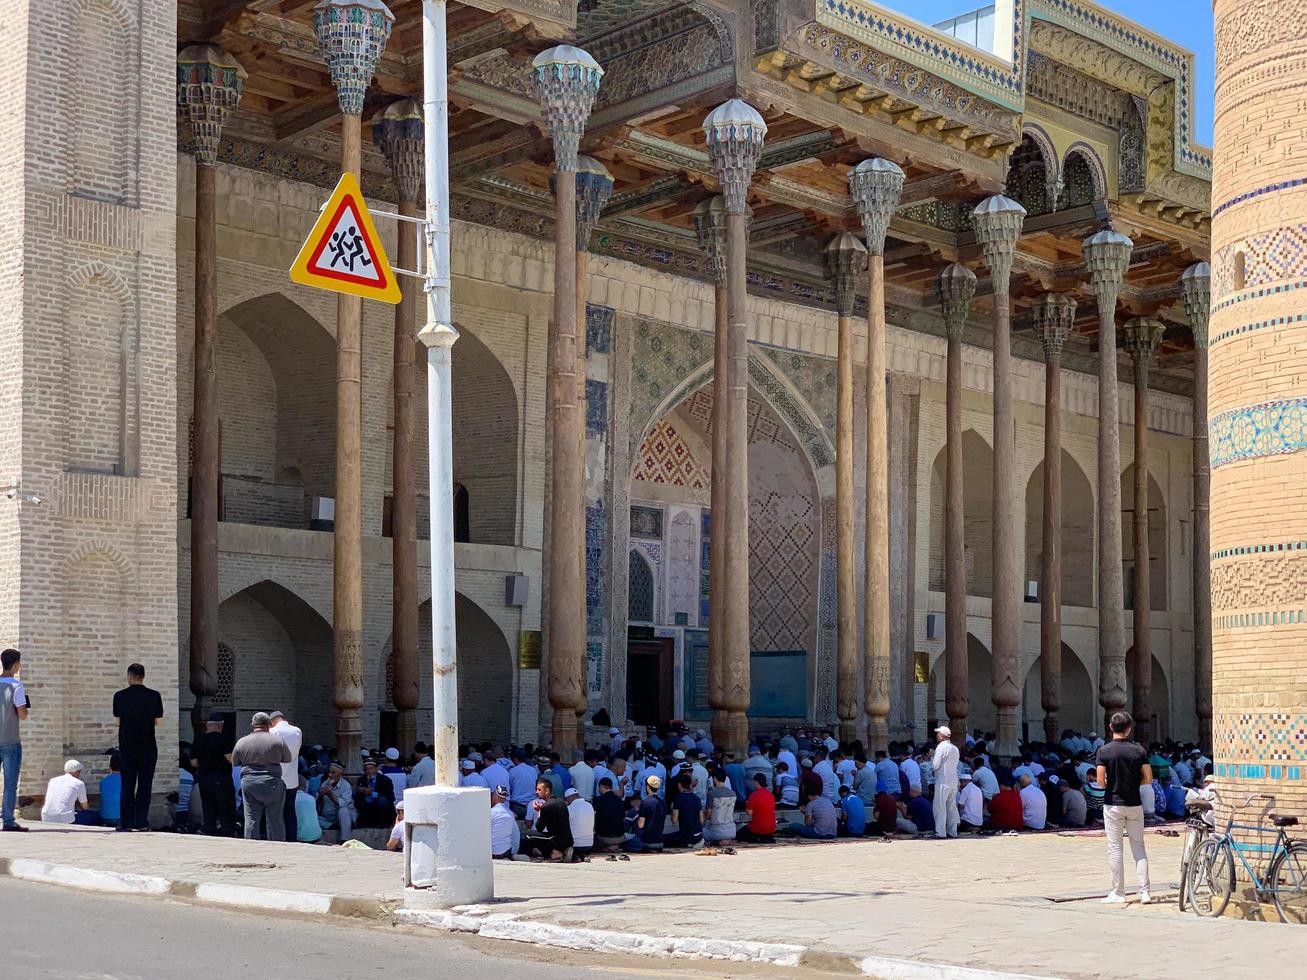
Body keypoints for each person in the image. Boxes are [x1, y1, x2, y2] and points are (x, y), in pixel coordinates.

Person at [1096, 710, 1153, 904]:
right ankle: (1144, 891)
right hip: (1134, 803)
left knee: (1115, 848)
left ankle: (1118, 892)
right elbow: (1148, 778)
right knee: (1138, 848)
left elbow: (1100, 781)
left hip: (1113, 804)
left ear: (1111, 727)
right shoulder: (1138, 750)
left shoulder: (1104, 751)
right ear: (1129, 729)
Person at [112, 663, 163, 832]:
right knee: (145, 785)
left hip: (127, 747)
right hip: (148, 747)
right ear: (143, 676)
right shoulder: (154, 696)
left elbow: (118, 721)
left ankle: (126, 823)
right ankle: (141, 822)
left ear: (129, 676)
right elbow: (158, 722)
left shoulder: (119, 696)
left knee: (127, 785)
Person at [231, 712, 292, 841]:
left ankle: (251, 848)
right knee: (275, 819)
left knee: (251, 819)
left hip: (249, 783)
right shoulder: (277, 740)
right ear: (269, 724)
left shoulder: (242, 742)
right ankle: (278, 848)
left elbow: (235, 762)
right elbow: (288, 759)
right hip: (273, 783)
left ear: (252, 725)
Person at [190, 715, 236, 835]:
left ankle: (209, 829)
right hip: (221, 777)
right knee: (225, 807)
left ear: (207, 725)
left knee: (208, 806)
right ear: (220, 725)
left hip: (204, 778)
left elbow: (193, 763)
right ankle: (227, 831)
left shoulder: (198, 739)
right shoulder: (225, 739)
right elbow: (229, 758)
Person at [0, 648, 29, 832]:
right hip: (10, 739)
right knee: (10, 782)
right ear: (16, 664)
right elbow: (22, 714)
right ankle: (8, 820)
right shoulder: (17, 686)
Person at [268, 710, 302, 843]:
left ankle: (277, 840)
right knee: (290, 811)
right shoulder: (297, 731)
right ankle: (291, 839)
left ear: (271, 722)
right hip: (292, 780)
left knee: (275, 812)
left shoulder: (272, 733)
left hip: (276, 779)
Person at [521, 778, 573, 861]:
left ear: (547, 791)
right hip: (568, 839)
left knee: (528, 835)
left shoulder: (546, 806)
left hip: (556, 840)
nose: (536, 792)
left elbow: (539, 827)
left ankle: (555, 853)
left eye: (539, 790)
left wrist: (540, 811)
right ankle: (562, 850)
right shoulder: (561, 802)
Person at [624, 775, 667, 853]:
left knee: (625, 843)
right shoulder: (663, 803)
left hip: (647, 842)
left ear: (648, 787)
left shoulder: (645, 802)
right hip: (660, 842)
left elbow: (641, 825)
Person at [931, 725, 960, 839]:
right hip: (953, 780)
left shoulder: (941, 747)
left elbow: (935, 765)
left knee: (940, 807)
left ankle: (940, 832)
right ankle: (953, 831)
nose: (937, 735)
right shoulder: (955, 748)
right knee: (951, 807)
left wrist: (931, 761)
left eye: (938, 734)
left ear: (942, 736)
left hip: (942, 780)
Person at [317, 760, 356, 840]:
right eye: (329, 772)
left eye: (333, 773)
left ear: (340, 774)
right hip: (328, 818)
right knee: (313, 817)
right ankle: (331, 826)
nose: (330, 775)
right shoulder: (325, 783)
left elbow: (343, 804)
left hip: (343, 816)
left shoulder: (345, 786)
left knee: (343, 811)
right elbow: (318, 805)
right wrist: (321, 796)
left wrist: (330, 794)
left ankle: (344, 839)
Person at [355, 758, 396, 827]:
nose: (369, 771)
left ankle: (382, 823)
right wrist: (360, 791)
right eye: (367, 769)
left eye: (371, 768)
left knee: (382, 801)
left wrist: (373, 794)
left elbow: (390, 796)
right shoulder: (361, 780)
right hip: (366, 803)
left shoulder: (385, 780)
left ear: (376, 769)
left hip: (379, 803)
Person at [736, 774, 777, 843]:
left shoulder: (754, 795)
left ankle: (757, 839)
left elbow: (749, 812)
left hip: (758, 827)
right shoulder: (771, 795)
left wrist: (745, 807)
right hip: (771, 827)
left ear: (756, 782)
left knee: (740, 834)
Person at [666, 774, 704, 848]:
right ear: (690, 785)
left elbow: (674, 820)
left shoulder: (678, 798)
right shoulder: (697, 799)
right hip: (698, 835)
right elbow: (702, 821)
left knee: (664, 838)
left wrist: (672, 809)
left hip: (685, 836)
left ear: (679, 785)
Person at [592, 777, 627, 852]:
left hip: (604, 838)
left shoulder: (598, 800)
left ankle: (606, 849)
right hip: (620, 837)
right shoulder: (619, 800)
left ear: (601, 786)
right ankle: (615, 847)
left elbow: (593, 820)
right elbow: (623, 818)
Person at [704, 769, 737, 843]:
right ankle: (725, 840)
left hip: (716, 831)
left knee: (701, 832)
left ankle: (717, 840)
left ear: (714, 779)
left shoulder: (712, 793)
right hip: (732, 831)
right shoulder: (733, 793)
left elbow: (708, 816)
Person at [562, 786, 594, 858]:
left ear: (569, 798)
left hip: (575, 844)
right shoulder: (590, 805)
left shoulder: (569, 808)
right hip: (589, 844)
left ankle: (567, 852)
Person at [489, 785, 519, 859]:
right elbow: (516, 835)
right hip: (506, 852)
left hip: (490, 852)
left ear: (494, 796)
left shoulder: (489, 813)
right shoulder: (510, 814)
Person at [508, 751, 539, 819]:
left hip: (517, 806)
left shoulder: (513, 771)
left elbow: (509, 788)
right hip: (532, 805)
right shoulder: (533, 770)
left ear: (515, 759)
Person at [294, 778, 322, 842]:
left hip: (300, 836)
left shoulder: (291, 799)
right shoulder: (312, 798)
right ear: (305, 786)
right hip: (316, 835)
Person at [98, 755, 123, 827]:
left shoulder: (103, 781)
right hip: (122, 818)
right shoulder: (127, 782)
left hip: (105, 818)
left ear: (110, 766)